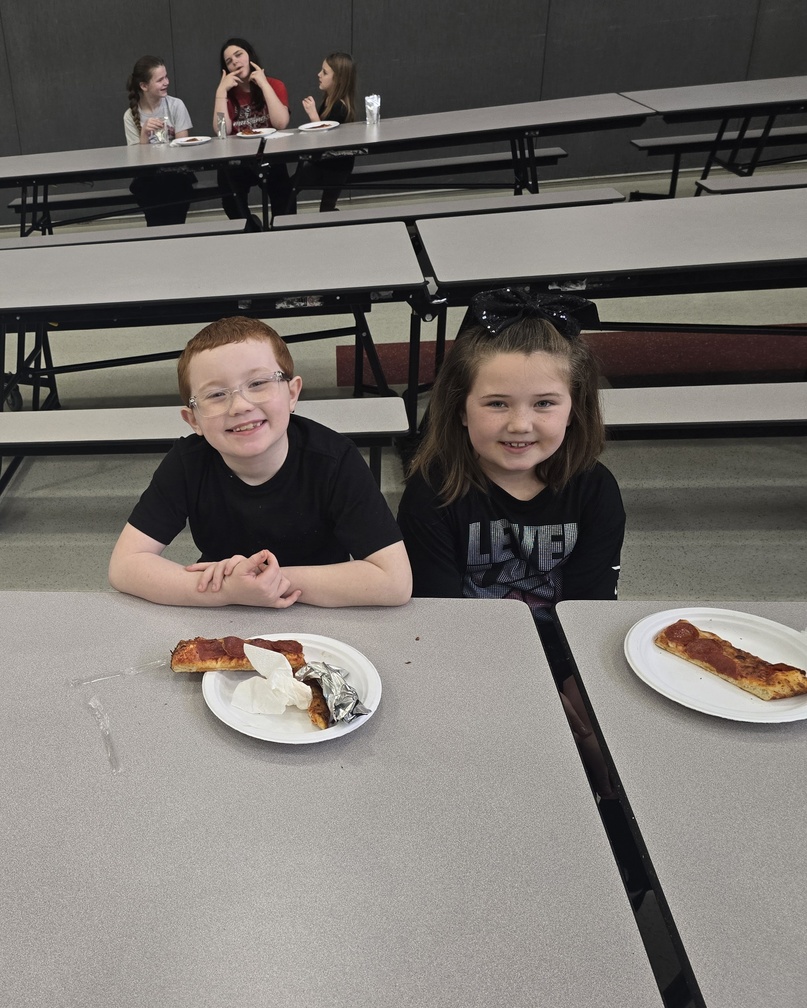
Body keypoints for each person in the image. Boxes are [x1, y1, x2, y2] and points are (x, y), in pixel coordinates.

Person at [397, 287, 625, 795]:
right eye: (497, 403)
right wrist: (527, 691)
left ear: (574, 407)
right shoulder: (431, 491)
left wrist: (572, 687)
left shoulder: (596, 491)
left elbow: (591, 609)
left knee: (607, 762)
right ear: (459, 409)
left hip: (570, 658)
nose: (520, 424)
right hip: (471, 658)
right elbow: (441, 616)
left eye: (544, 403)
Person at [108, 316, 412, 608]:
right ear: (193, 420)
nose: (240, 406)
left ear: (292, 393)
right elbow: (124, 566)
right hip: (224, 607)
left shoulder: (335, 461)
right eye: (215, 394)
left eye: (258, 383)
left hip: (316, 605)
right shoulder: (188, 464)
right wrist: (229, 591)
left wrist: (266, 582)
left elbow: (394, 581)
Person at [212, 37, 294, 220]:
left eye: (239, 55)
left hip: (271, 155)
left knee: (285, 197)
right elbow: (221, 131)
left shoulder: (274, 85)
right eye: (229, 61)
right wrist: (220, 92)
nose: (235, 62)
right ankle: (249, 228)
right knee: (229, 192)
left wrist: (263, 84)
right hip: (239, 160)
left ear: (250, 56)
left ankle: (283, 231)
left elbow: (281, 123)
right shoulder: (226, 92)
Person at [124, 56, 196, 226]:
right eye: (160, 80)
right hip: (148, 179)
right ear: (144, 86)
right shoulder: (130, 115)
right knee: (155, 216)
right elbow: (136, 159)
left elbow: (183, 147)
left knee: (175, 204)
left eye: (166, 77)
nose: (166, 82)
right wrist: (144, 134)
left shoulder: (176, 105)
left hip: (176, 175)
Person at [294, 52, 357, 212]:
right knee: (324, 205)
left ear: (339, 79)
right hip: (328, 164)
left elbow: (326, 139)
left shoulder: (340, 107)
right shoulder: (329, 101)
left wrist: (313, 115)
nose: (319, 74)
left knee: (291, 189)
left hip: (335, 167)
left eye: (325, 72)